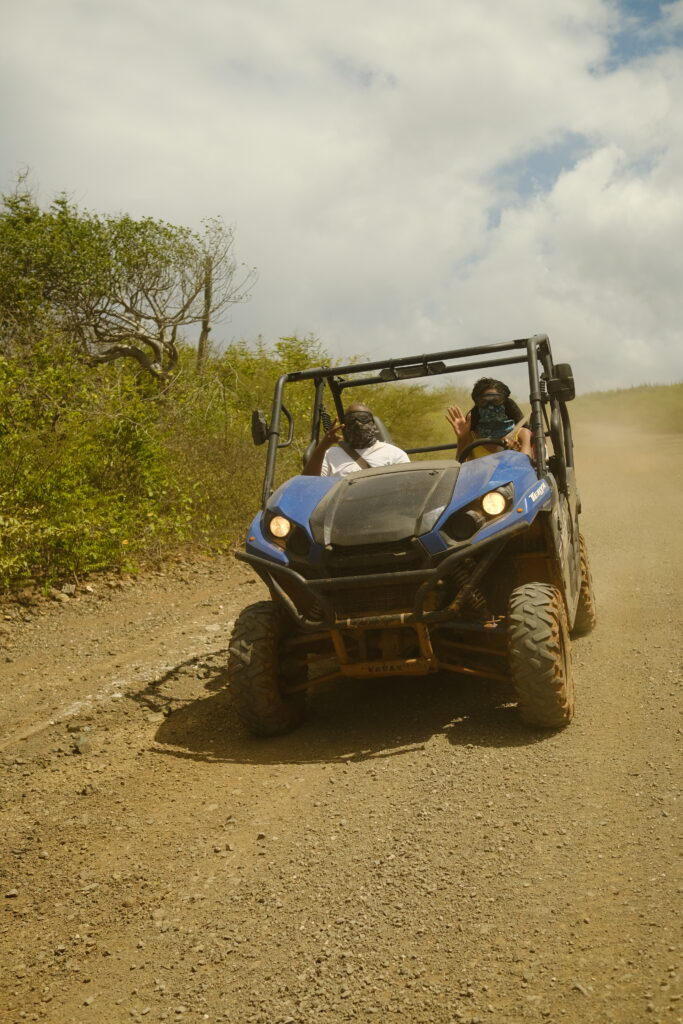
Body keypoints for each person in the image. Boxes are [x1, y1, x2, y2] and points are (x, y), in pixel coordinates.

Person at [303, 403, 410, 477]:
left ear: (374, 425)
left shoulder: (394, 454)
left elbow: (407, 486)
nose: (358, 424)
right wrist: (322, 447)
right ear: (344, 426)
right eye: (351, 420)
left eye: (363, 418)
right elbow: (308, 485)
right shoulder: (329, 455)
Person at [446, 378, 533, 461]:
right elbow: (461, 467)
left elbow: (527, 467)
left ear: (504, 403)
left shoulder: (522, 434)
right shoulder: (472, 437)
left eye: (496, 401)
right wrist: (462, 438)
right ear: (478, 406)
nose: (491, 407)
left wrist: (515, 453)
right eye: (484, 402)